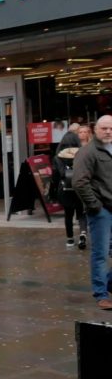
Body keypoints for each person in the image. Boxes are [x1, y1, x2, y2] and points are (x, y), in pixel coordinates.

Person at [73, 115, 112, 310]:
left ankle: (108, 283)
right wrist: (95, 205)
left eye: (111, 128)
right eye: (104, 128)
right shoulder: (88, 152)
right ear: (95, 130)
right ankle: (101, 294)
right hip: (101, 211)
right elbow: (79, 182)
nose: (108, 131)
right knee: (101, 253)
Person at [53, 144, 86, 249]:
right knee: (81, 213)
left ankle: (70, 239)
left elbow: (57, 175)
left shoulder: (58, 158)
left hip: (65, 190)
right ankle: (82, 234)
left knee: (68, 214)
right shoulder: (83, 155)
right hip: (80, 188)